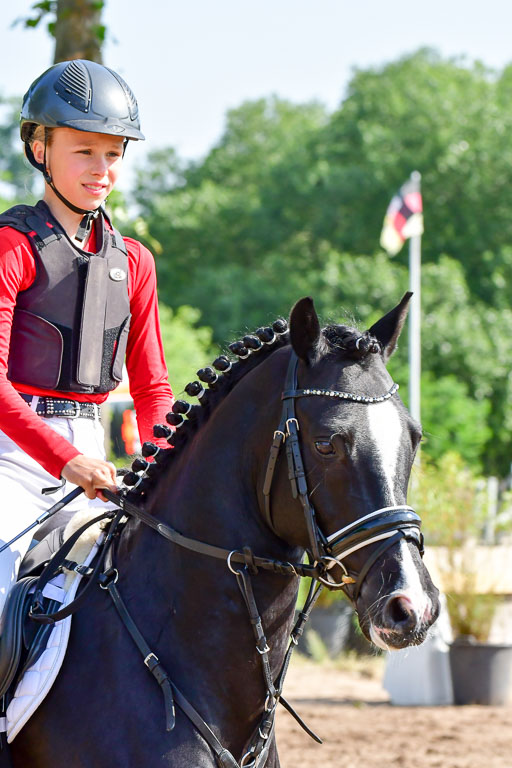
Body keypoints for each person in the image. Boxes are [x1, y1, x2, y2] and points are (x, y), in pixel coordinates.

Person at [0, 59, 174, 614]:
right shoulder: (12, 246)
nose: (102, 169)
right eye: (84, 151)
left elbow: (153, 392)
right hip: (12, 459)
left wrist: (165, 466)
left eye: (113, 154)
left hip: (95, 460)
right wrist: (63, 460)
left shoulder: (136, 262)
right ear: (39, 149)